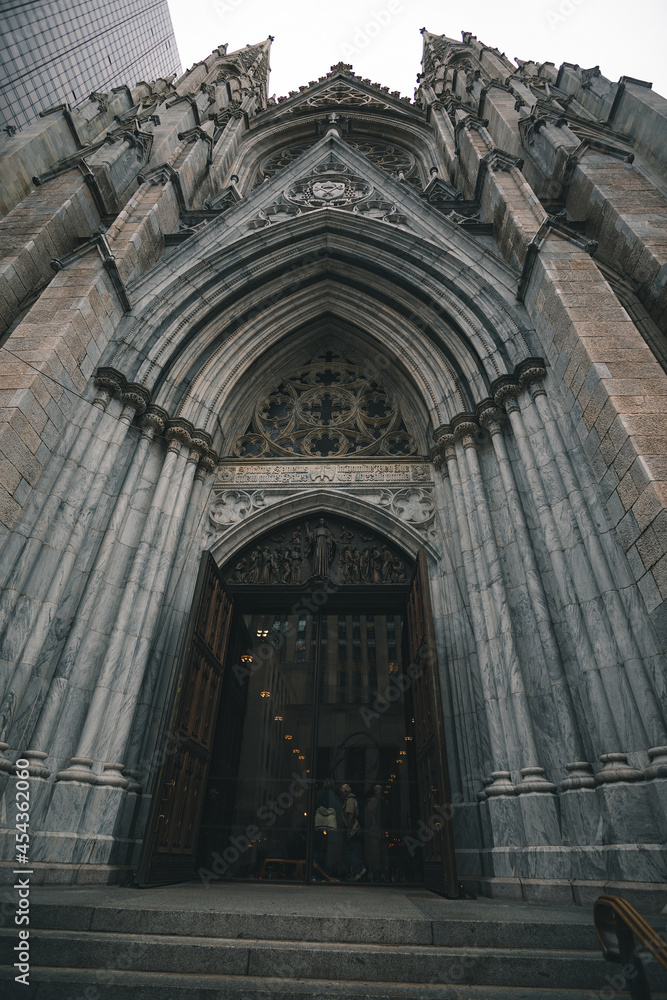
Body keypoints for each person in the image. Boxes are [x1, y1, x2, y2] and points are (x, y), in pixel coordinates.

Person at [313, 778, 340, 878]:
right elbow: (339, 809)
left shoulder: (319, 794)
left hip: (319, 822)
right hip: (330, 824)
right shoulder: (334, 796)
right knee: (329, 852)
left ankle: (314, 874)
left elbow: (314, 805)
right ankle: (326, 875)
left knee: (317, 850)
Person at [340, 782, 366, 881]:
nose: (341, 794)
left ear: (345, 791)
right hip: (355, 829)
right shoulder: (353, 799)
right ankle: (357, 871)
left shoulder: (350, 800)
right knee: (353, 850)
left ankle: (359, 868)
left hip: (353, 829)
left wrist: (348, 830)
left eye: (342, 792)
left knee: (348, 850)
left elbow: (350, 815)